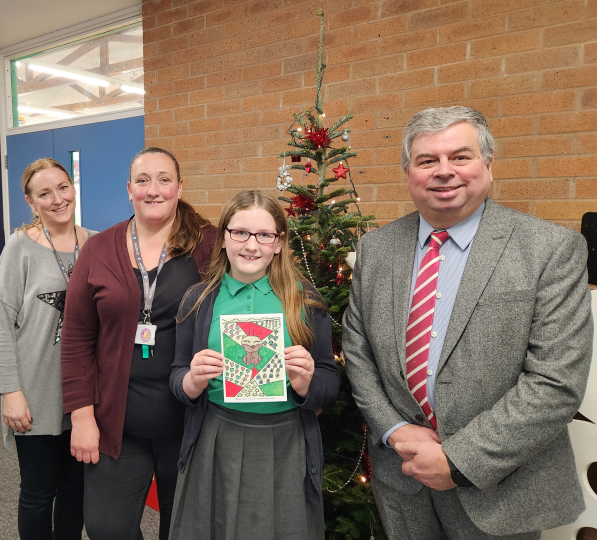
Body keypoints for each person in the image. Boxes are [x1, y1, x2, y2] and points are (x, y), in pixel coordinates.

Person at [342, 106, 593, 539]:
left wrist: (458, 459)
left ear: (488, 165)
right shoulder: (377, 248)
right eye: (427, 160)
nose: (444, 172)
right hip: (402, 478)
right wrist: (396, 430)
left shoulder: (551, 250)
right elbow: (358, 349)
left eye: (460, 157)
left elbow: (556, 382)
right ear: (408, 172)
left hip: (499, 487)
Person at [60, 147, 217, 540]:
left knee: (185, 528)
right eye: (143, 181)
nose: (154, 190)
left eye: (164, 180)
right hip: (118, 422)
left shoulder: (210, 244)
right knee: (105, 528)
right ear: (129, 189)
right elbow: (77, 337)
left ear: (180, 188)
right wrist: (81, 417)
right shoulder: (98, 250)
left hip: (191, 420)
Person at [167, 190, 340, 540]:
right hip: (216, 435)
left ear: (279, 242)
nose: (251, 245)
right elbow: (177, 378)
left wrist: (308, 383)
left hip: (286, 438)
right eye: (240, 232)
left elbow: (329, 379)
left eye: (264, 235)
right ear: (223, 237)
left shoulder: (304, 300)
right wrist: (192, 381)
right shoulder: (198, 300)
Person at [0, 158, 94, 540]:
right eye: (44, 193)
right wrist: (9, 391)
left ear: (74, 188)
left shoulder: (96, 243)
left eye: (63, 187)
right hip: (34, 392)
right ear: (31, 203)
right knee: (37, 493)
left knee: (76, 490)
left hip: (83, 396)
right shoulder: (20, 248)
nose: (57, 199)